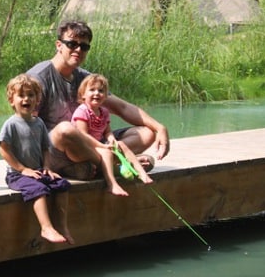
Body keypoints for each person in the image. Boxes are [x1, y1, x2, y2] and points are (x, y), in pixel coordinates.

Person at [27, 20, 170, 180]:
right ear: (59, 45)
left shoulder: (85, 78)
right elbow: (27, 126)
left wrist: (159, 127)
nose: (78, 50)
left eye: (84, 46)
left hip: (89, 145)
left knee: (146, 133)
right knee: (65, 129)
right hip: (54, 149)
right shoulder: (39, 78)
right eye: (72, 44)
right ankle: (114, 163)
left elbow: (121, 107)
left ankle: (93, 165)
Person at [0, 74, 74, 244]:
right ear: (12, 100)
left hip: (38, 171)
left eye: (31, 95)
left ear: (37, 99)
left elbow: (46, 148)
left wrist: (47, 167)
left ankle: (62, 226)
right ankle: (46, 228)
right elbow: (4, 150)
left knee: (61, 184)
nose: (26, 99)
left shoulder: (39, 123)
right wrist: (22, 169)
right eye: (21, 95)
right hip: (17, 175)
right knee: (38, 189)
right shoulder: (11, 124)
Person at [71, 73, 153, 195]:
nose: (96, 93)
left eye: (100, 91)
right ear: (83, 94)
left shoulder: (104, 112)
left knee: (121, 145)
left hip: (99, 144)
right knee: (106, 152)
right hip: (84, 146)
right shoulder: (82, 111)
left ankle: (141, 172)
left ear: (105, 96)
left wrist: (111, 139)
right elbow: (83, 135)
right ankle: (112, 184)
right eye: (92, 90)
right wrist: (102, 146)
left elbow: (107, 131)